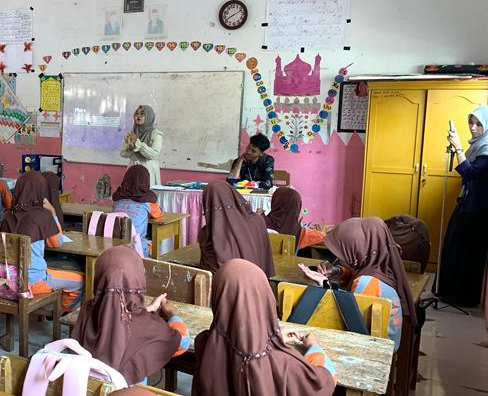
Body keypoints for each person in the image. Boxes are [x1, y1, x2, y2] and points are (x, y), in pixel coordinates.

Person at [192, 259, 336, 396]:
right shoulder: (283, 363)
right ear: (266, 299)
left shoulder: (204, 343)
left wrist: (272, 338)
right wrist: (314, 347)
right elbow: (324, 383)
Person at [71, 246, 189, 385]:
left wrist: (147, 310)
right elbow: (182, 343)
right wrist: (173, 315)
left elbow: (114, 315)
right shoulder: (146, 326)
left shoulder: (87, 310)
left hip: (82, 388)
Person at [303, 218, 417, 352]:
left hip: (373, 349)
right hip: (382, 341)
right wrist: (338, 271)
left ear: (357, 250)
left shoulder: (366, 283)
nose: (342, 258)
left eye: (346, 251)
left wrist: (324, 284)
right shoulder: (383, 266)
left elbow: (348, 322)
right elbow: (355, 275)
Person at [1, 171, 84, 312]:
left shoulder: (7, 215)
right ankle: (62, 312)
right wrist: (53, 213)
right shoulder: (43, 215)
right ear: (41, 190)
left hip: (8, 280)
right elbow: (57, 243)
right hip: (33, 282)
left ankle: (53, 309)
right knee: (80, 280)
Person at [439, 106, 488, 310]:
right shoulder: (477, 146)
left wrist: (459, 148)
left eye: (479, 124)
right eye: (471, 122)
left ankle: (463, 297)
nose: (473, 128)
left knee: (467, 253)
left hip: (478, 210)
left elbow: (469, 174)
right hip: (466, 203)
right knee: (453, 247)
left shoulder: (486, 149)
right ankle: (448, 292)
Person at [198, 181, 274, 276]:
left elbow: (211, 273)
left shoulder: (208, 235)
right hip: (258, 281)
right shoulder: (258, 221)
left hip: (226, 284)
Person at [111, 165, 163, 258]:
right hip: (138, 250)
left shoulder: (117, 199)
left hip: (115, 248)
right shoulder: (148, 201)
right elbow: (158, 214)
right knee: (153, 245)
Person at [120, 105, 163, 185]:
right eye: (136, 114)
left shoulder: (156, 134)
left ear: (149, 116)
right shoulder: (131, 134)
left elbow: (153, 155)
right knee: (130, 191)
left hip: (148, 170)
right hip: (133, 169)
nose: (138, 117)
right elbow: (123, 153)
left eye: (142, 114)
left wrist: (138, 144)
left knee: (146, 192)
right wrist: (130, 147)